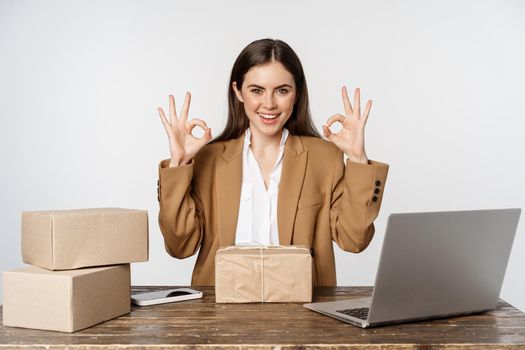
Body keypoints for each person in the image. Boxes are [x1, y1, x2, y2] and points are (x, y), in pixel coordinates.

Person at [156, 38, 389, 286]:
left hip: (301, 312)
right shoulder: (208, 159)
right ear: (238, 92)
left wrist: (357, 158)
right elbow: (179, 246)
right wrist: (178, 164)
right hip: (220, 312)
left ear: (296, 92)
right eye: (257, 90)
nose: (269, 104)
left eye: (282, 90)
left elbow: (354, 240)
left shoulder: (325, 158)